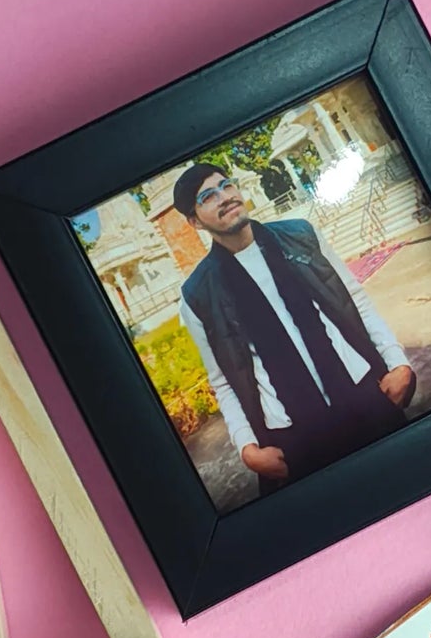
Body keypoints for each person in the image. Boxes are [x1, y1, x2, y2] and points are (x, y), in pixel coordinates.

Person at [173, 163, 416, 497]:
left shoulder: (301, 236)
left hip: (362, 393)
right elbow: (223, 379)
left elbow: (355, 301)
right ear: (194, 220)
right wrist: (247, 449)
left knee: (408, 484)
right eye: (208, 196)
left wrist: (398, 363)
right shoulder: (197, 294)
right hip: (294, 435)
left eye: (227, 185)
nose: (225, 197)